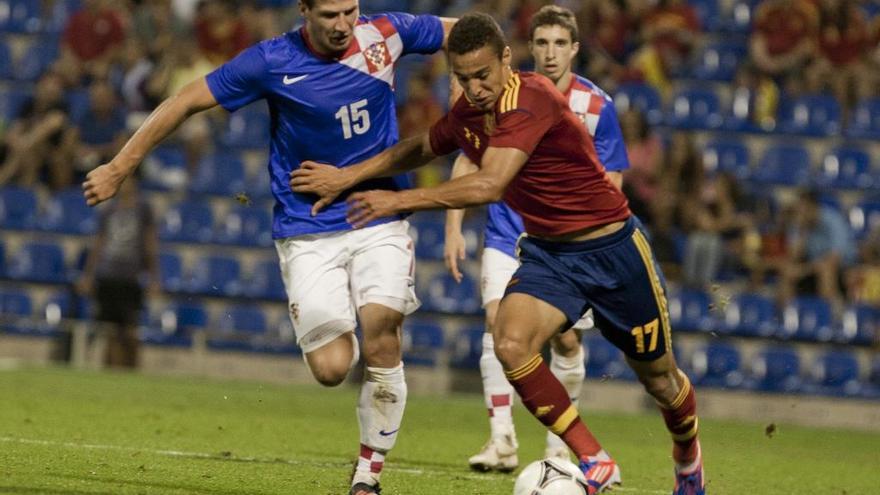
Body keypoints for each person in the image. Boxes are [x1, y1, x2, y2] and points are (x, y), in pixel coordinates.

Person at [291, 13, 705, 495]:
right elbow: (422, 146)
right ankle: (594, 460)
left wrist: (397, 199)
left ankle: (688, 456)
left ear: (507, 58)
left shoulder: (532, 99)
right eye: (463, 78)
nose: (475, 88)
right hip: (551, 255)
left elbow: (489, 184)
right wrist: (349, 176)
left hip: (612, 249)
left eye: (483, 75)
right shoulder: (470, 111)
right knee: (510, 343)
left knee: (660, 381)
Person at [81, 1, 455, 493]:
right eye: (329, 15)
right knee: (332, 368)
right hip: (306, 226)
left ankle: (368, 475)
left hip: (377, 212)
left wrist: (486, 83)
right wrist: (120, 165)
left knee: (381, 331)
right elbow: (184, 101)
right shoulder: (270, 61)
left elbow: (465, 33)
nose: (343, 24)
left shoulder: (387, 32)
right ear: (304, 11)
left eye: (350, 11)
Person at [441, 5, 629, 473]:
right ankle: (501, 439)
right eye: (541, 43)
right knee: (496, 324)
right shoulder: (506, 94)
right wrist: (453, 226)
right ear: (527, 49)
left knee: (565, 343)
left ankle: (558, 444)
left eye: (559, 43)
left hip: (565, 243)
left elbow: (613, 182)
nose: (549, 53)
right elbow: (467, 158)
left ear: (575, 49)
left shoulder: (596, 106)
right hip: (509, 232)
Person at [76, 173, 161, 368]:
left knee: (131, 331)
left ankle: (131, 371)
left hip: (131, 278)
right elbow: (98, 244)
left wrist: (154, 278)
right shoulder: (108, 210)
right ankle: (110, 373)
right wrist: (88, 275)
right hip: (108, 276)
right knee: (109, 331)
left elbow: (150, 244)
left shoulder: (143, 209)